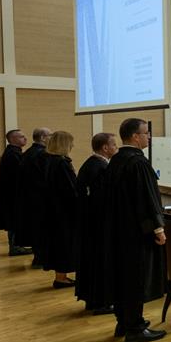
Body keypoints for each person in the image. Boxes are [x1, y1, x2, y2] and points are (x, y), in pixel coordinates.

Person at [104, 118, 167, 342]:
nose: (149, 137)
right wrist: (158, 228)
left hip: (119, 231)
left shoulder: (117, 160)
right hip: (135, 233)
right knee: (136, 278)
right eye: (146, 133)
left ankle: (124, 321)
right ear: (134, 136)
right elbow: (147, 199)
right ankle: (135, 327)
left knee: (124, 277)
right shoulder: (137, 163)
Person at [75, 132, 117, 313]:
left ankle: (93, 299)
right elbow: (103, 199)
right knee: (100, 262)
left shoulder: (90, 163)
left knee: (91, 262)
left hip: (88, 222)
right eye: (114, 145)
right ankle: (101, 302)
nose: (117, 148)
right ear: (105, 148)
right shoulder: (101, 167)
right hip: (98, 224)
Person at [43, 131, 79, 289]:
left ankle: (61, 275)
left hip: (54, 209)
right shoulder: (61, 163)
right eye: (70, 142)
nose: (73, 145)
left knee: (60, 243)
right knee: (64, 243)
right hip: (63, 211)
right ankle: (61, 277)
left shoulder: (49, 160)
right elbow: (69, 189)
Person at [17, 127, 51, 266]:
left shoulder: (27, 153)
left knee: (36, 229)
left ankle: (38, 257)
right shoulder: (43, 154)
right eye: (51, 135)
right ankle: (42, 258)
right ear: (43, 138)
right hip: (40, 198)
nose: (52, 138)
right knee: (42, 230)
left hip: (29, 197)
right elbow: (46, 178)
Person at [0, 129, 28, 256]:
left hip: (10, 194)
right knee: (14, 221)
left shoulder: (13, 152)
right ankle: (15, 248)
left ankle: (16, 246)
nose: (25, 138)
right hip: (12, 196)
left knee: (14, 221)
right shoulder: (13, 154)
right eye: (21, 137)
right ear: (12, 139)